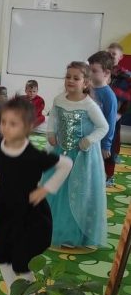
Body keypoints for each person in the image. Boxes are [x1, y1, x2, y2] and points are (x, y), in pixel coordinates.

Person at [0, 96, 72, 295]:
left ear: (27, 127)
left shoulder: (33, 155)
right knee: (3, 257)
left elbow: (66, 164)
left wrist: (46, 189)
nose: (6, 127)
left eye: (13, 123)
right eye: (3, 122)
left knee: (22, 261)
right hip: (6, 211)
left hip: (29, 216)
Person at [45, 61, 108, 248]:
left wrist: (89, 140)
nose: (70, 81)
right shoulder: (59, 100)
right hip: (61, 153)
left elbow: (103, 127)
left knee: (76, 193)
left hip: (81, 157)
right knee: (58, 191)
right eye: (68, 77)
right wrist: (51, 132)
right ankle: (54, 228)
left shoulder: (89, 105)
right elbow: (53, 117)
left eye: (76, 78)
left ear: (86, 82)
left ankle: (72, 234)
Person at [88, 51, 118, 186]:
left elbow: (110, 123)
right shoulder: (87, 88)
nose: (90, 73)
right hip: (85, 137)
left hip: (98, 142)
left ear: (106, 73)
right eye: (89, 69)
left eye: (94, 71)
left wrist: (106, 145)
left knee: (94, 171)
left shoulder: (109, 96)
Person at [106, 43, 131, 186]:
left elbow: (128, 97)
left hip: (114, 115)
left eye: (113, 54)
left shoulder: (126, 76)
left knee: (111, 144)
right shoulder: (101, 71)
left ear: (120, 57)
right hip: (99, 113)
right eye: (108, 53)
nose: (110, 56)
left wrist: (120, 113)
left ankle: (109, 175)